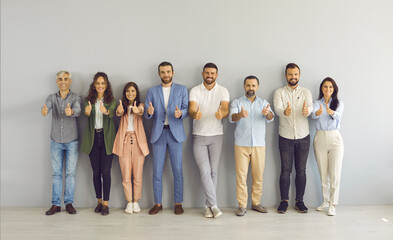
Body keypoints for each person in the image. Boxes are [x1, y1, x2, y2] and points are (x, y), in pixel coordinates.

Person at [144, 61, 188, 215]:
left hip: (176, 134)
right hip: (159, 134)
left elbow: (186, 109)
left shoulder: (182, 89)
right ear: (159, 74)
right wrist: (149, 112)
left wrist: (180, 113)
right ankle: (157, 203)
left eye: (168, 71)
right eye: (163, 72)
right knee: (157, 171)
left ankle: (178, 203)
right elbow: (147, 114)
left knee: (177, 170)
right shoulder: (152, 91)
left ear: (173, 72)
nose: (166, 75)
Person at [188, 63, 229, 218]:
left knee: (214, 171)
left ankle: (207, 206)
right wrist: (194, 114)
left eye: (212, 73)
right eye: (207, 73)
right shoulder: (195, 90)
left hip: (217, 135)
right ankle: (214, 205)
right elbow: (192, 108)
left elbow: (225, 108)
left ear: (216, 75)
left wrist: (222, 114)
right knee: (204, 171)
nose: (209, 75)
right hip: (199, 135)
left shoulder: (223, 90)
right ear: (202, 74)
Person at [229, 76, 274, 216]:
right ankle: (242, 205)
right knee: (241, 176)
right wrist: (240, 115)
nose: (251, 88)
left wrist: (268, 114)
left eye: (253, 85)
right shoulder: (237, 102)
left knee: (258, 176)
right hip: (241, 144)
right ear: (244, 87)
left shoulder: (263, 103)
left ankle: (256, 203)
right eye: (248, 85)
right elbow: (232, 118)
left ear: (257, 87)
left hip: (259, 145)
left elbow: (271, 117)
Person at [273, 63, 313, 214]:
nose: (293, 77)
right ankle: (284, 201)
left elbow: (310, 107)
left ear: (299, 75)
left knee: (301, 171)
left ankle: (299, 201)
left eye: (295, 74)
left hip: (303, 137)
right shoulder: (279, 92)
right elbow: (277, 109)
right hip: (285, 137)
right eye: (290, 74)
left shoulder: (306, 92)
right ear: (286, 75)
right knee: (285, 171)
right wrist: (285, 111)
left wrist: (307, 110)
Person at [42, 71, 81, 215]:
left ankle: (69, 203)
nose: (63, 81)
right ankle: (56, 204)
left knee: (70, 174)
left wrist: (72, 112)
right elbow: (46, 106)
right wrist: (44, 110)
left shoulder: (76, 97)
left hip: (72, 140)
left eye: (65, 79)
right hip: (56, 140)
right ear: (57, 81)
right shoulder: (52, 98)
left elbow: (78, 110)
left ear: (69, 81)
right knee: (56, 174)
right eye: (60, 79)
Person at [81, 72, 116, 216]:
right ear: (94, 85)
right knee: (96, 172)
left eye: (103, 83)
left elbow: (113, 113)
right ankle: (99, 202)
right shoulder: (88, 100)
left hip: (107, 138)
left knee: (106, 173)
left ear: (106, 85)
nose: (100, 86)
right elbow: (86, 113)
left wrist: (106, 111)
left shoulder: (111, 100)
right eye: (98, 83)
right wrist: (88, 112)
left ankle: (106, 204)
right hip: (93, 138)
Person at [113, 82, 150, 214]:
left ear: (136, 93)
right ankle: (129, 202)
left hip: (139, 143)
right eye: (128, 91)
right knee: (126, 176)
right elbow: (118, 112)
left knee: (138, 175)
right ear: (125, 93)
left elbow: (141, 111)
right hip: (123, 143)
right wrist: (120, 110)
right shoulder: (121, 106)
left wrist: (136, 111)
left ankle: (136, 201)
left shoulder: (140, 105)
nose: (130, 93)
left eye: (133, 91)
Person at [311, 77, 344, 216]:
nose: (328, 89)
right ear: (321, 89)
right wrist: (317, 113)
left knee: (335, 173)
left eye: (330, 87)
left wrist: (331, 112)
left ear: (334, 89)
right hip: (320, 137)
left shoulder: (339, 103)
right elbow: (313, 115)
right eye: (325, 87)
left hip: (335, 138)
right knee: (323, 173)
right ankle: (325, 201)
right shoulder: (316, 103)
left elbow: (338, 115)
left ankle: (332, 204)